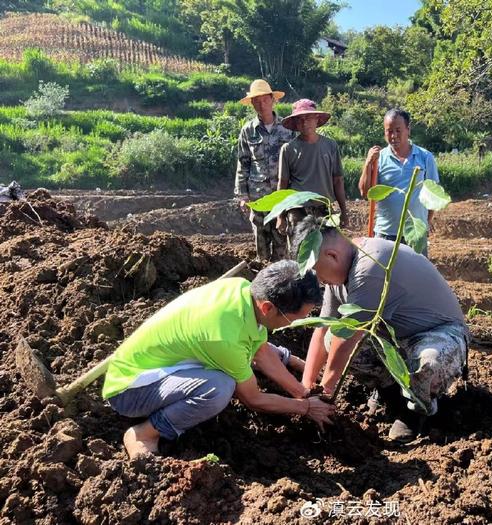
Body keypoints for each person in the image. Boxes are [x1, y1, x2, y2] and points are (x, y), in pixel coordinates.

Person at [102, 260, 334, 458]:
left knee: (240, 355)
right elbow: (253, 399)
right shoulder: (225, 339)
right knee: (220, 387)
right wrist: (304, 408)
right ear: (268, 307)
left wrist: (303, 392)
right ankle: (145, 433)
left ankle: (290, 362)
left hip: (163, 366)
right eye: (294, 317)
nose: (295, 323)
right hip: (130, 391)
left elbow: (260, 351)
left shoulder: (242, 289)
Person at [293, 217, 469, 443]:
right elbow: (323, 330)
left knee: (429, 362)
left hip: (439, 333)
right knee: (331, 340)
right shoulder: (337, 278)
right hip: (396, 339)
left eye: (317, 272)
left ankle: (416, 412)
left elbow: (346, 338)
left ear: (331, 256)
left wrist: (325, 395)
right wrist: (306, 389)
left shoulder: (370, 267)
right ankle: (393, 397)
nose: (319, 280)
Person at [358, 108, 439, 255]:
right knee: (383, 277)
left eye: (398, 130)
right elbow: (366, 193)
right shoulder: (379, 159)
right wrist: (368, 163)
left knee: (416, 277)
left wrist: (424, 224)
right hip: (385, 234)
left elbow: (432, 197)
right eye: (389, 131)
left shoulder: (425, 157)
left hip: (414, 234)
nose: (393, 136)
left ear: (408, 129)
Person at [234, 79, 295, 261]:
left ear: (272, 99)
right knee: (261, 251)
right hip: (258, 198)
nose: (261, 104)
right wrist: (242, 196)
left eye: (264, 99)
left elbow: (296, 162)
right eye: (257, 101)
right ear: (252, 104)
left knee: (282, 248)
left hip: (281, 198)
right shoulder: (248, 131)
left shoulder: (288, 129)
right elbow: (243, 163)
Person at [276, 99, 349, 237]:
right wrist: (280, 216)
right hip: (298, 209)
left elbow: (338, 180)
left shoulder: (330, 146)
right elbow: (282, 184)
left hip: (324, 208)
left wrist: (344, 212)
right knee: (300, 250)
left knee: (326, 249)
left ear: (316, 119)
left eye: (308, 118)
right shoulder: (288, 149)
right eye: (300, 119)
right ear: (296, 124)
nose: (304, 122)